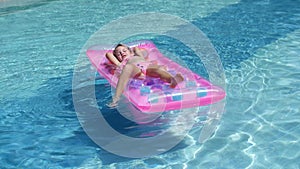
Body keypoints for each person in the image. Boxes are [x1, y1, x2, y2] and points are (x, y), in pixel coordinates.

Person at [106, 43, 184, 107]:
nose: (122, 53)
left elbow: (136, 48)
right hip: (134, 70)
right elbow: (108, 54)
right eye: (119, 53)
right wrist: (120, 53)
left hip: (146, 66)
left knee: (158, 69)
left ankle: (172, 80)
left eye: (124, 50)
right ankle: (116, 99)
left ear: (130, 51)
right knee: (127, 67)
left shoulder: (138, 56)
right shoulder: (120, 63)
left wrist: (132, 49)